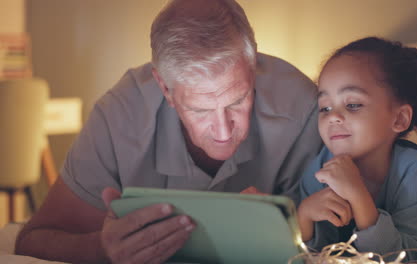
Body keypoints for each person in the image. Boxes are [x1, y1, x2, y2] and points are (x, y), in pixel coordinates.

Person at [14, 0, 322, 263]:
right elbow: (32, 239)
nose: (224, 131)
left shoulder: (303, 107)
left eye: (238, 100)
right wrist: (101, 248)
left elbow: (348, 241)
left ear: (252, 62)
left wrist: (285, 230)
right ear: (165, 88)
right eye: (200, 110)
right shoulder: (119, 115)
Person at [297, 37, 417, 260]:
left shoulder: (416, 169)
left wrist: (358, 196)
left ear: (400, 119)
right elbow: (317, 250)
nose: (333, 116)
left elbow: (410, 255)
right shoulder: (318, 170)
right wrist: (304, 216)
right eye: (324, 107)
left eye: (353, 104)